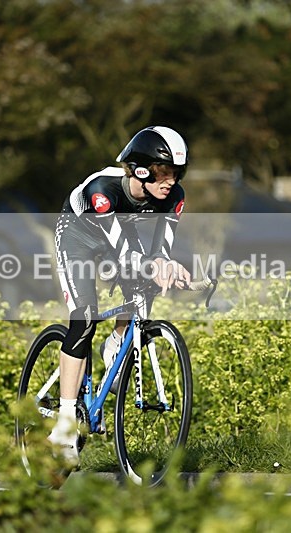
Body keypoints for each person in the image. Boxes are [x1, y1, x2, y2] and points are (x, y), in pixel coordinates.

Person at [48, 126, 192, 465]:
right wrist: (154, 264)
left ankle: (117, 341)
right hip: (78, 235)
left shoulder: (175, 196)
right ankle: (66, 421)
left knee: (149, 281)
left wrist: (170, 266)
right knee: (84, 318)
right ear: (141, 170)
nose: (170, 181)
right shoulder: (103, 189)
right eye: (163, 172)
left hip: (118, 235)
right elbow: (127, 254)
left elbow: (161, 250)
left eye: (176, 173)